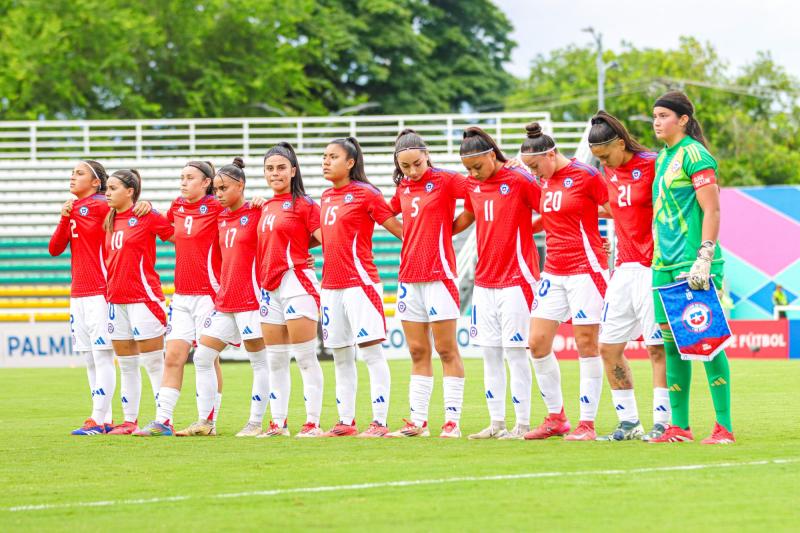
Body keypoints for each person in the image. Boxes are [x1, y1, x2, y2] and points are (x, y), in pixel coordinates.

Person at [647, 91, 734, 444]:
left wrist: (706, 254)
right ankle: (678, 426)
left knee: (708, 345)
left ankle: (724, 427)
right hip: (663, 265)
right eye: (654, 116)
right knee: (671, 346)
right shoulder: (662, 157)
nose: (657, 122)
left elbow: (712, 210)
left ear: (683, 119)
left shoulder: (696, 155)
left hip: (692, 264)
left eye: (664, 115)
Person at [519, 123, 610, 442]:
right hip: (554, 271)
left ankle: (587, 423)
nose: (534, 173)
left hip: (586, 269)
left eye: (535, 167)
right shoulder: (542, 180)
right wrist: (526, 228)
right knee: (537, 342)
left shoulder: (586, 175)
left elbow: (613, 208)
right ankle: (556, 418)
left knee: (587, 344)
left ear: (552, 154)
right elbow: (553, 212)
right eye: (528, 168)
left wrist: (612, 239)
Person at [452, 127, 541, 440]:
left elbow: (552, 209)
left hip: (516, 278)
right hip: (484, 281)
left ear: (492, 155)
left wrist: (529, 229)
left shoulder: (519, 180)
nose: (473, 174)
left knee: (515, 353)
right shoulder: (472, 186)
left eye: (478, 166)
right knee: (489, 353)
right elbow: (465, 217)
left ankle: (524, 424)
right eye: (468, 169)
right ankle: (496, 423)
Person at [587, 111, 670, 441]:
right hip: (623, 269)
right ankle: (629, 422)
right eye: (598, 159)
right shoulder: (608, 171)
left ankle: (664, 421)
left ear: (621, 143)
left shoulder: (653, 164)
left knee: (657, 348)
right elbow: (616, 205)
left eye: (606, 155)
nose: (603, 163)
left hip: (654, 268)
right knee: (607, 347)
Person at [318, 137, 403, 438]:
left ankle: (379, 421)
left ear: (350, 163)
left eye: (333, 157)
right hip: (330, 287)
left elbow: (397, 229)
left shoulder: (367, 194)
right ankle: (345, 421)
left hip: (360, 284)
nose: (326, 161)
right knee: (340, 356)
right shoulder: (326, 196)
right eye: (324, 156)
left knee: (371, 353)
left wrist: (425, 243)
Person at [133, 161, 225, 436]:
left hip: (209, 294)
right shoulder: (178, 205)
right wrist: (149, 208)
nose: (183, 182)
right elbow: (169, 232)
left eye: (189, 178)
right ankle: (163, 420)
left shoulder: (217, 207)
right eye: (181, 177)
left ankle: (207, 421)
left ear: (206, 182)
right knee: (173, 356)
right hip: (182, 295)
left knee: (208, 358)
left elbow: (239, 217)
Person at [385, 129, 466, 438]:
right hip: (409, 278)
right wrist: (404, 233)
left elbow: (476, 197)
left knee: (446, 350)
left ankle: (451, 421)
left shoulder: (446, 180)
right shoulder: (403, 187)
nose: (412, 171)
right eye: (405, 166)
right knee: (418, 351)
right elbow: (382, 212)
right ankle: (418, 422)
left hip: (439, 277)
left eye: (417, 164)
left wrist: (450, 230)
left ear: (427, 154)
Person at [189, 158, 270, 438]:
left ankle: (256, 422)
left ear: (241, 185)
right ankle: (205, 422)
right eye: (216, 189)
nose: (219, 194)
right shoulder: (220, 217)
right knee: (202, 356)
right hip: (226, 301)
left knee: (258, 361)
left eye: (224, 188)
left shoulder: (259, 212)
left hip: (252, 300)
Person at [257, 143, 326, 438]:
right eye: (270, 168)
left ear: (293, 171)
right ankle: (278, 423)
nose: (275, 173)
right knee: (275, 359)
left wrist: (301, 251)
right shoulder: (265, 206)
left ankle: (312, 423)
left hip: (297, 282)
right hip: (268, 287)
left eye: (281, 167)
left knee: (305, 357)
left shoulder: (306, 204)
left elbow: (326, 238)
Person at [48, 161, 117, 435]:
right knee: (90, 358)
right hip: (78, 292)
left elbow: (126, 211)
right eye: (72, 173)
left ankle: (97, 419)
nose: (72, 177)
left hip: (101, 291)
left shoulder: (102, 204)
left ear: (96, 182)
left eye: (79, 173)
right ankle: (104, 418)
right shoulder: (73, 208)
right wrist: (64, 216)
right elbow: (55, 249)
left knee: (102, 356)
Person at [103, 169, 174, 435]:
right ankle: (129, 420)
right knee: (127, 364)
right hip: (116, 300)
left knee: (154, 363)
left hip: (144, 299)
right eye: (107, 188)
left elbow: (180, 236)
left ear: (130, 191)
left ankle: (163, 420)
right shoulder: (109, 219)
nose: (107, 193)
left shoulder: (146, 216)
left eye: (113, 188)